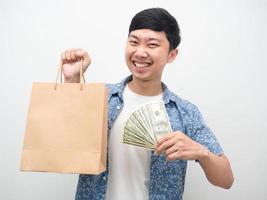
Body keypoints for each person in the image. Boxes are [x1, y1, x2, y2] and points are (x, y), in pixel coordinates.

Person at [60, 7, 234, 200]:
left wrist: (202, 153)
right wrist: (72, 81)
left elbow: (226, 180)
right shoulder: (101, 97)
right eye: (134, 42)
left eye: (152, 45)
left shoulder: (185, 112)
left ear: (172, 55)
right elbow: (66, 145)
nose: (140, 52)